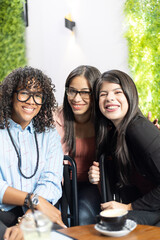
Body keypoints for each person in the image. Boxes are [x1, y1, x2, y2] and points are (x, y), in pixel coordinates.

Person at [88, 69, 160, 226]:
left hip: (154, 209)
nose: (110, 98)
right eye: (103, 94)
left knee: (113, 224)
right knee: (107, 222)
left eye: (117, 92)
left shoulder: (138, 128)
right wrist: (98, 178)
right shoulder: (115, 134)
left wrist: (129, 207)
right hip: (151, 209)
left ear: (130, 95)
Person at [0, 66, 65, 230]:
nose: (31, 101)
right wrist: (33, 199)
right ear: (11, 95)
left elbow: (51, 181)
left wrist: (28, 220)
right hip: (3, 212)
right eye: (24, 93)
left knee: (58, 237)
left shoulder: (49, 134)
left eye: (37, 96)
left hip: (35, 213)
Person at [54, 65, 102, 225]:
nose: (76, 98)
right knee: (58, 221)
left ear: (95, 94)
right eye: (72, 90)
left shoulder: (104, 123)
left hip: (92, 185)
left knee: (83, 218)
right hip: (60, 185)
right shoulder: (56, 118)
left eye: (84, 92)